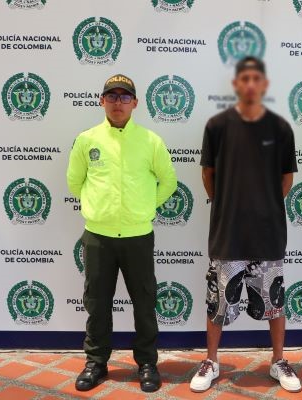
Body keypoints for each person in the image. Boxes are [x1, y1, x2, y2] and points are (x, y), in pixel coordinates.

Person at [189, 56, 302, 393]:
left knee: (274, 302)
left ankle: (278, 360)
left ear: (264, 84)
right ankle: (211, 361)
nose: (250, 84)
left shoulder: (280, 129)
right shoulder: (217, 126)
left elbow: (287, 178)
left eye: (256, 78)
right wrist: (229, 207)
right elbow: (207, 175)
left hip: (268, 235)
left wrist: (263, 207)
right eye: (245, 78)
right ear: (236, 84)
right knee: (218, 304)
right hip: (228, 234)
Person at [66, 74, 177, 393]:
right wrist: (98, 208)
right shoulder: (87, 140)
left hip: (138, 236)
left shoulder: (150, 141)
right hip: (98, 237)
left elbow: (168, 181)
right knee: (97, 302)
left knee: (144, 302)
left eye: (125, 97)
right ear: (102, 101)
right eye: (112, 96)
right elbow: (75, 182)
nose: (118, 102)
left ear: (135, 103)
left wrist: (144, 207)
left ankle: (147, 363)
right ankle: (96, 362)